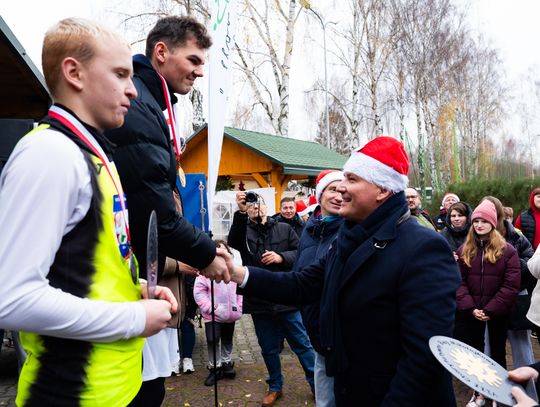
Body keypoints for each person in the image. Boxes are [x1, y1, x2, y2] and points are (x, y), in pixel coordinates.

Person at [0, 18, 177, 406]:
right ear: (74, 72)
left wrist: (135, 291)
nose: (133, 90)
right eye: (120, 74)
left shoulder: (92, 153)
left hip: (114, 390)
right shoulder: (49, 154)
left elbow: (82, 269)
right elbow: (11, 299)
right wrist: (134, 318)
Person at [216, 136, 460, 406]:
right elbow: (301, 285)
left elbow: (422, 361)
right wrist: (237, 273)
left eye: (352, 179)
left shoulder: (423, 248)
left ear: (382, 189)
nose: (341, 187)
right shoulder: (349, 238)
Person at [105, 16, 229, 406]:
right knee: (145, 392)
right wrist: (207, 254)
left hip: (138, 282)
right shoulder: (139, 106)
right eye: (193, 60)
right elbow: (152, 212)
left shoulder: (150, 103)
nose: (200, 72)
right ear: (161, 52)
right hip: (125, 285)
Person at [227, 192, 315, 407]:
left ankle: (316, 384)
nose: (256, 208)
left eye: (259, 204)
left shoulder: (284, 228)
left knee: (301, 344)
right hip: (259, 299)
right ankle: (275, 385)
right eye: (251, 206)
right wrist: (241, 213)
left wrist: (281, 257)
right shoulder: (244, 230)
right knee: (268, 347)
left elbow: (300, 252)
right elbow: (233, 242)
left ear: (267, 207)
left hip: (286, 296)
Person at [454, 200, 520, 407]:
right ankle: (479, 393)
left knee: (498, 353)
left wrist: (490, 309)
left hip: (497, 312)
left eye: (484, 221)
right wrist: (471, 308)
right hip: (471, 311)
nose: (479, 225)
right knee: (475, 355)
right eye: (476, 221)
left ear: (492, 222)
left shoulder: (508, 251)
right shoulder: (465, 249)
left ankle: (498, 394)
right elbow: (458, 281)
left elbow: (511, 285)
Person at [293, 169, 344, 407]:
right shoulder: (310, 229)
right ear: (320, 194)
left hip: (341, 335)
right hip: (315, 330)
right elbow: (299, 273)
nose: (339, 196)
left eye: (343, 190)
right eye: (333, 189)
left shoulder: (351, 230)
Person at [194, 240, 243, 386]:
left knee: (227, 338)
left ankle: (226, 362)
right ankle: (215, 367)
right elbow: (199, 292)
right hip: (213, 314)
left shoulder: (234, 269)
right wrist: (211, 308)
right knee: (212, 339)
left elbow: (240, 289)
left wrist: (239, 306)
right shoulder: (205, 272)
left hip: (230, 314)